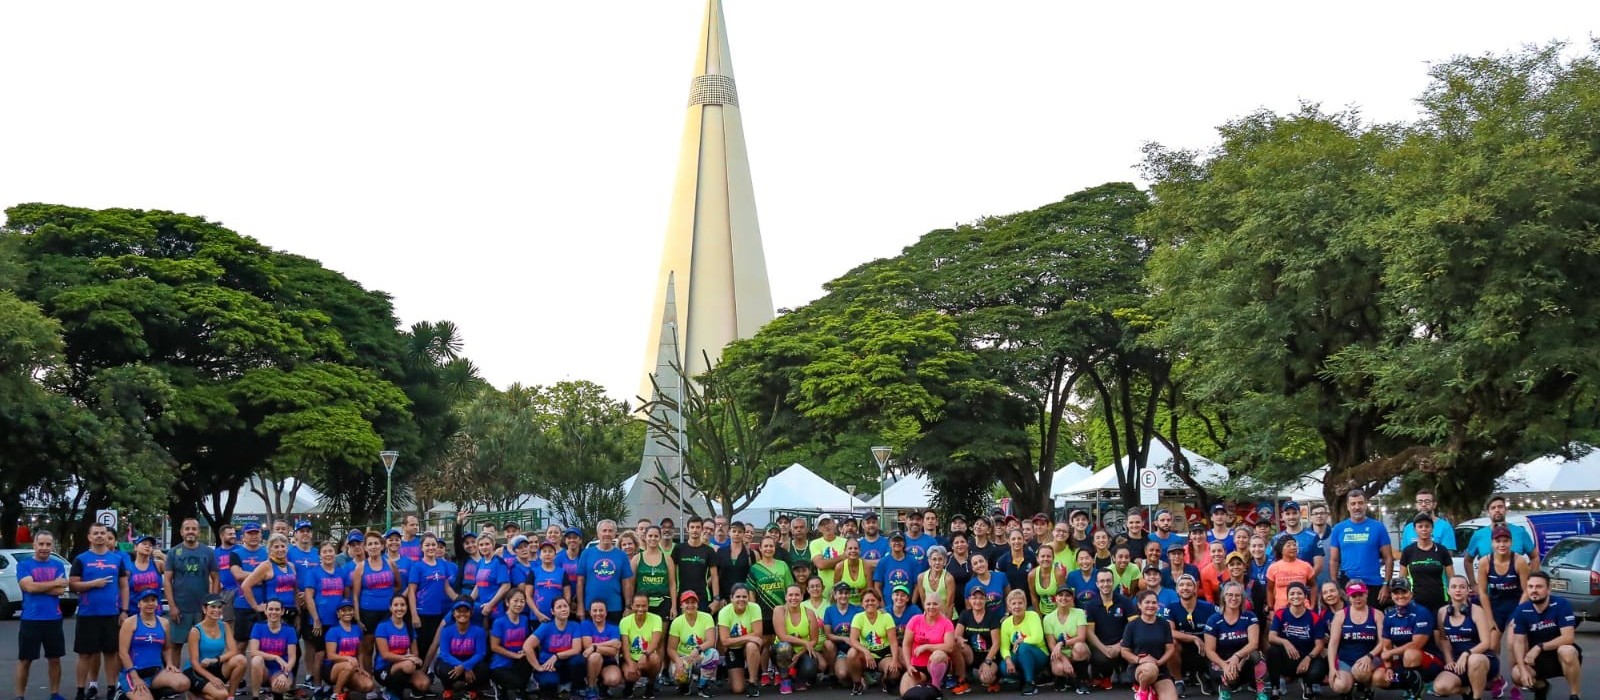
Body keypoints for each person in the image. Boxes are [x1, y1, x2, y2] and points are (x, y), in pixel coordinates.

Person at [71, 522, 127, 700]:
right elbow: (73, 585)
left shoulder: (117, 559)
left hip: (111, 614)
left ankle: (112, 688)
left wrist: (124, 610)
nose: (100, 536)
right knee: (85, 654)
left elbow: (124, 586)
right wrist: (93, 584)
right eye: (95, 533)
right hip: (88, 614)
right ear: (89, 537)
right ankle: (81, 690)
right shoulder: (81, 559)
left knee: (111, 653)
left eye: (102, 533)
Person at [1508, 572, 1582, 700]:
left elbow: (1568, 638)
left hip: (1558, 655)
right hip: (1535, 659)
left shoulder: (1561, 605)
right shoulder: (1521, 610)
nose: (1534, 590)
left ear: (1548, 589)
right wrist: (1522, 669)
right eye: (1530, 587)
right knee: (1517, 674)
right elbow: (1518, 642)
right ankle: (1542, 686)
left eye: (1538, 587)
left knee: (1567, 650)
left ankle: (1574, 694)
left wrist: (1539, 647)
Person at [16, 530, 70, 700]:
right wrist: (53, 584)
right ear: (34, 545)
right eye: (41, 544)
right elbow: (29, 588)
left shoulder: (58, 565)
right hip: (31, 619)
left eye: (48, 544)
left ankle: (54, 694)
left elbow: (61, 590)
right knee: (25, 660)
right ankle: (19, 696)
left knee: (55, 659)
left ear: (52, 546)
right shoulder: (24, 565)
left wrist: (39, 586)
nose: (44, 548)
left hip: (53, 618)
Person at [1431, 575, 1498, 700]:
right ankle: (1468, 690)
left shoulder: (1477, 611)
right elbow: (1443, 639)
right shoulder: (1442, 612)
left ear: (1468, 591)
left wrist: (1467, 654)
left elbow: (1486, 643)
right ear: (1448, 590)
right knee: (1441, 688)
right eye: (1454, 587)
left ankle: (1477, 697)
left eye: (1462, 587)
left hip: (1482, 658)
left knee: (1475, 660)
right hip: (1458, 660)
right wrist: (1449, 659)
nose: (1458, 590)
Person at [1477, 525, 1531, 676]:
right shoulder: (1485, 562)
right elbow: (1482, 592)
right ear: (1492, 543)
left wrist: (1518, 615)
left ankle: (1517, 679)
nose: (1502, 545)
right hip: (1496, 606)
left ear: (1511, 542)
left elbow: (1526, 590)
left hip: (1516, 605)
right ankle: (1496, 679)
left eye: (1505, 541)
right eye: (1498, 541)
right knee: (1492, 645)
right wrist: (1489, 619)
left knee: (1513, 643)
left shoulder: (1519, 561)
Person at [117, 590, 190, 700]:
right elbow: (123, 653)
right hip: (134, 673)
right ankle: (121, 694)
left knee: (183, 683)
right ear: (139, 604)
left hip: (156, 673)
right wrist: (135, 677)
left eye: (153, 600)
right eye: (146, 601)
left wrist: (169, 663)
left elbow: (167, 648)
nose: (150, 604)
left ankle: (154, 692)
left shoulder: (164, 623)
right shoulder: (130, 623)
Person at [1327, 489, 1394, 608]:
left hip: (1373, 584)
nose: (1357, 507)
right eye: (1353, 504)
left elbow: (1388, 558)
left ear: (1366, 504)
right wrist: (1335, 585)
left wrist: (1385, 585)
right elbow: (1334, 560)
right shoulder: (1338, 529)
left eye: (1360, 503)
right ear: (1348, 506)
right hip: (1347, 582)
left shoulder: (1378, 527)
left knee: (1372, 621)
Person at [163, 519, 218, 660]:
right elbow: (167, 580)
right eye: (187, 528)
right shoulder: (173, 553)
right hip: (180, 608)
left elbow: (216, 578)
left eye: (194, 528)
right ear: (182, 532)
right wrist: (172, 606)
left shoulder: (208, 552)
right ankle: (175, 676)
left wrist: (213, 605)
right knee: (176, 645)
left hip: (202, 608)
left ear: (199, 532)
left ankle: (201, 677)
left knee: (204, 645)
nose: (190, 531)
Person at [1266, 583, 1327, 700]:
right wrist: (1286, 642)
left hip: (1308, 656)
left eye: (1299, 593)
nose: (1295, 596)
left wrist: (1308, 658)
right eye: (1292, 593)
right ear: (1288, 597)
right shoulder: (1281, 613)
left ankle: (1308, 684)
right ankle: (1275, 688)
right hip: (1289, 657)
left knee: (1316, 672)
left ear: (1305, 597)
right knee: (1272, 650)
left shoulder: (1314, 617)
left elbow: (1319, 645)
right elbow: (1271, 637)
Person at [1203, 581, 1262, 700]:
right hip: (1222, 660)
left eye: (1237, 595)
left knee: (1257, 657)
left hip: (1244, 658)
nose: (1233, 598)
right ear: (1223, 598)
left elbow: (1254, 644)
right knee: (1231, 680)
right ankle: (1224, 690)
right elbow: (1209, 651)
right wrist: (1224, 665)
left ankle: (1260, 690)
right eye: (1230, 595)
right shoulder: (1214, 620)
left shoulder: (1250, 616)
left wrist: (1238, 656)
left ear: (1242, 598)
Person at [1463, 497, 1540, 588]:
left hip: (1517, 592)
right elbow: (1468, 560)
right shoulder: (1479, 535)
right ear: (1488, 512)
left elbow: (1534, 557)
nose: (1497, 510)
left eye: (1500, 507)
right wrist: (1473, 584)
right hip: (1488, 593)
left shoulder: (1520, 532)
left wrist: (1531, 581)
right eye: (1493, 508)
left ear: (1506, 509)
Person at [1324, 582, 1382, 700]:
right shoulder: (1341, 615)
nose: (1357, 599)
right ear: (1348, 597)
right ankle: (1348, 690)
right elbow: (1333, 644)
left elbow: (1383, 642)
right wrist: (1332, 668)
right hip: (1346, 660)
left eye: (1360, 595)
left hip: (1369, 658)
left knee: (1360, 671)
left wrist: (1370, 656)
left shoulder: (1377, 614)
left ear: (1366, 594)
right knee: (1340, 686)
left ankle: (1367, 688)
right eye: (1354, 596)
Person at [407, 533, 459, 663]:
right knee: (421, 645)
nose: (431, 547)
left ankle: (426, 671)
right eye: (427, 545)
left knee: (434, 644)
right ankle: (416, 673)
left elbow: (447, 588)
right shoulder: (417, 566)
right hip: (422, 612)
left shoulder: (443, 565)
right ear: (421, 548)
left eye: (433, 544)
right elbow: (411, 592)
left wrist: (460, 600)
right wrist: (414, 614)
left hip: (439, 612)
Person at [351, 531, 399, 666]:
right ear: (365, 547)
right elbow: (355, 594)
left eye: (376, 543)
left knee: (385, 644)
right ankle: (368, 677)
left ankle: (383, 675)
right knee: (368, 646)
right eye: (370, 544)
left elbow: (397, 586)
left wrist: (385, 596)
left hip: (387, 612)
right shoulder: (360, 567)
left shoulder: (390, 564)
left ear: (382, 546)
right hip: (367, 612)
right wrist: (358, 617)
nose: (373, 547)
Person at [183, 598, 246, 700]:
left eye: (219, 607)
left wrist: (216, 659)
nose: (217, 610)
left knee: (241, 660)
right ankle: (193, 693)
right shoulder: (195, 631)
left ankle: (231, 696)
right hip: (196, 671)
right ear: (204, 609)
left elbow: (234, 650)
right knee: (221, 695)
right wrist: (212, 678)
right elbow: (194, 663)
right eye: (213, 606)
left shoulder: (224, 626)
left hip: (215, 666)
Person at [1165, 574, 1217, 697]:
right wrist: (1194, 638)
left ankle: (1204, 674)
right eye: (1181, 585)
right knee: (1170, 642)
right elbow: (1169, 631)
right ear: (1177, 590)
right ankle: (1179, 681)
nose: (1185, 587)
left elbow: (1218, 627)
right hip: (1183, 648)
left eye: (1189, 585)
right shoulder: (1171, 607)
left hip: (1205, 648)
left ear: (1195, 588)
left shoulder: (1208, 607)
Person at [1123, 589, 1181, 700]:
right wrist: (1139, 660)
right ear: (1139, 605)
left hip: (1160, 668)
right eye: (1147, 602)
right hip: (1139, 668)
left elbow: (1170, 648)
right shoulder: (1132, 625)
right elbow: (1124, 651)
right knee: (1150, 669)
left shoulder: (1164, 624)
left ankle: (1152, 691)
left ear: (1158, 605)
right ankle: (1143, 690)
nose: (1151, 605)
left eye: (1154, 602)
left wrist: (1159, 662)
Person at [1084, 569, 1134, 689]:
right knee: (1100, 658)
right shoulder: (1090, 605)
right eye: (1102, 581)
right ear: (1097, 584)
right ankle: (1103, 674)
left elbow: (1134, 627)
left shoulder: (1125, 601)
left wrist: (1120, 646)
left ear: (1113, 582)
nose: (1105, 584)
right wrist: (1104, 649)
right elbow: (1090, 633)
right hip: (1102, 646)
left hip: (1123, 644)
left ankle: (1123, 670)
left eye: (1108, 581)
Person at [576, 521, 634, 625]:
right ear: (598, 533)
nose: (607, 533)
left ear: (614, 534)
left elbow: (627, 583)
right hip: (591, 608)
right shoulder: (587, 553)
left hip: (615, 607)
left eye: (610, 531)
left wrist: (628, 606)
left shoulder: (621, 555)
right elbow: (580, 582)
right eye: (604, 531)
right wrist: (580, 606)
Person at [900, 591, 956, 696]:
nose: (931, 607)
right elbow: (906, 644)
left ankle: (936, 689)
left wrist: (926, 647)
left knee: (938, 655)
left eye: (935, 604)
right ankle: (925, 687)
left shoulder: (946, 623)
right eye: (928, 604)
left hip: (937, 664)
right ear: (924, 605)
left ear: (941, 605)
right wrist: (908, 665)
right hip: (917, 666)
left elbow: (949, 647)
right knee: (905, 693)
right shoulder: (915, 620)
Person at [849, 588, 904, 695]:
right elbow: (852, 640)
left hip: (884, 653)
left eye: (873, 600)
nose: (870, 603)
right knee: (852, 653)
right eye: (867, 601)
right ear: (862, 604)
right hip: (866, 654)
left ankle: (884, 679)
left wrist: (895, 660)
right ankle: (857, 683)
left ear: (878, 602)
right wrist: (866, 652)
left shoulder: (886, 617)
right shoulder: (858, 617)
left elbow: (893, 642)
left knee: (894, 673)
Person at [667, 591, 721, 697]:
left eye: (693, 602)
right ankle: (684, 685)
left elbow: (711, 641)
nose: (690, 605)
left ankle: (703, 686)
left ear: (697, 604)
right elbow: (671, 648)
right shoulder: (677, 622)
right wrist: (678, 661)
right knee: (676, 672)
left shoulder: (707, 617)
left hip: (700, 656)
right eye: (687, 602)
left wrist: (697, 649)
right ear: (681, 605)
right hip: (684, 657)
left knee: (713, 654)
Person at [433, 599, 490, 696]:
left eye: (465, 611)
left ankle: (471, 689)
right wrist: (462, 666)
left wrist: (465, 666)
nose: (462, 614)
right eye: (459, 611)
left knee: (483, 668)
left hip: (470, 660)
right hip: (453, 661)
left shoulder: (479, 631)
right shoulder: (447, 631)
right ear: (454, 614)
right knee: (441, 668)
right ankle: (448, 689)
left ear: (471, 613)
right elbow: (444, 653)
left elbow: (480, 653)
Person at [1398, 514, 1453, 613]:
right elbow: (1402, 579)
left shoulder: (1442, 550)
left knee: (1439, 628)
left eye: (1427, 526)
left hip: (1440, 601)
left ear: (1432, 529)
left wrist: (1452, 598)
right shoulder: (1408, 551)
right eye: (1420, 526)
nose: (1424, 529)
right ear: (1415, 529)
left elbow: (1451, 577)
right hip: (1415, 602)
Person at [771, 584, 821, 694]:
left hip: (801, 651)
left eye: (797, 595)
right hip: (781, 651)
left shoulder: (809, 613)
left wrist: (799, 655)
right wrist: (804, 642)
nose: (794, 598)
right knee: (784, 647)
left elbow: (814, 640)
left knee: (810, 668)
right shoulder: (779, 610)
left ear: (802, 597)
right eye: (791, 595)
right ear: (785, 597)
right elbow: (782, 636)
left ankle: (799, 678)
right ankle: (785, 678)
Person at [997, 590, 1048, 695]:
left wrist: (1021, 641)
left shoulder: (1033, 615)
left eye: (1020, 603)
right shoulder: (1006, 623)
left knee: (1023, 647)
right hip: (1019, 655)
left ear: (1025, 605)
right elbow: (1004, 647)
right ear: (1009, 607)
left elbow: (1038, 638)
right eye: (1014, 603)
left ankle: (1030, 683)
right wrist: (1008, 660)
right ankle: (1026, 678)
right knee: (1003, 667)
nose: (1017, 606)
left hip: (1039, 654)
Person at [717, 585, 764, 698]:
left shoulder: (755, 607)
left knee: (752, 646)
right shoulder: (724, 612)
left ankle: (752, 681)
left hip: (749, 647)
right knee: (738, 689)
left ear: (748, 597)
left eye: (744, 596)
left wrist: (745, 640)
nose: (741, 599)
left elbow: (758, 633)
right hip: (733, 649)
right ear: (731, 598)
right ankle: (736, 672)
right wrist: (748, 637)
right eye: (738, 596)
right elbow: (724, 641)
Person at [246, 599, 298, 700]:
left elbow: (292, 657)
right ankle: (255, 697)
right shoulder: (258, 626)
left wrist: (285, 674)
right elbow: (253, 651)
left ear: (282, 611)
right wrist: (276, 657)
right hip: (263, 669)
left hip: (280, 669)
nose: (273, 612)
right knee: (256, 659)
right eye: (270, 609)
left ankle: (276, 694)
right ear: (265, 611)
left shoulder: (289, 630)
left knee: (280, 686)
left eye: (277, 609)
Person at [322, 599, 374, 699]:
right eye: (343, 610)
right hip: (332, 668)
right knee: (348, 665)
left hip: (352, 666)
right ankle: (336, 694)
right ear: (338, 613)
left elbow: (360, 653)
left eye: (350, 610)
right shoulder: (333, 631)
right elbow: (331, 656)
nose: (347, 612)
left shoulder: (357, 629)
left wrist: (361, 668)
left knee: (368, 685)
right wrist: (348, 658)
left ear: (354, 612)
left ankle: (345, 688)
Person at [1044, 586, 1090, 694]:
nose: (1064, 598)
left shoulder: (1079, 613)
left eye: (1068, 595)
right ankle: (1068, 678)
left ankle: (1081, 680)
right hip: (1060, 654)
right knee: (1058, 669)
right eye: (1060, 595)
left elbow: (1082, 637)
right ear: (1055, 598)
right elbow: (1051, 645)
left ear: (1072, 599)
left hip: (1076, 653)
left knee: (1080, 647)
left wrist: (1061, 643)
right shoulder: (1048, 618)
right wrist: (1064, 660)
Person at [488, 589, 533, 700]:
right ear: (507, 602)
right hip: (501, 663)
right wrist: (515, 656)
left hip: (518, 661)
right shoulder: (499, 622)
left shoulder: (524, 619)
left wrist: (523, 651)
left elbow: (526, 640)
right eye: (515, 601)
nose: (519, 604)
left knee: (531, 655)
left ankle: (520, 691)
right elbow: (494, 647)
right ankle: (499, 685)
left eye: (522, 601)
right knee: (517, 682)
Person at [954, 587, 1000, 694]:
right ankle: (963, 680)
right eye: (974, 598)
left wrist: (987, 661)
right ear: (969, 600)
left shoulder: (992, 616)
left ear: (985, 600)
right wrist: (959, 639)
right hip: (972, 654)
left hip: (989, 655)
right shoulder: (965, 614)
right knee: (956, 644)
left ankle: (994, 680)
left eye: (981, 598)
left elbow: (996, 643)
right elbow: (957, 635)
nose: (977, 601)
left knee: (986, 679)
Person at [229, 523, 270, 644]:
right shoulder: (235, 554)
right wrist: (260, 576)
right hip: (242, 605)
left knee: (264, 644)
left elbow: (272, 575)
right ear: (243, 536)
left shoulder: (267, 553)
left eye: (256, 533)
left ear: (261, 535)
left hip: (265, 605)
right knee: (241, 644)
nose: (253, 536)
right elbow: (237, 575)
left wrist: (248, 577)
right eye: (250, 533)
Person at [620, 593, 665, 699]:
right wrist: (631, 663)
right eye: (637, 605)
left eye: (644, 605)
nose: (640, 609)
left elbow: (655, 643)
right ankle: (629, 686)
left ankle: (650, 685)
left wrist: (645, 654)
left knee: (655, 659)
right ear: (632, 606)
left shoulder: (656, 619)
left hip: (647, 657)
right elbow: (625, 647)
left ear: (648, 606)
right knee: (629, 674)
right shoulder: (624, 621)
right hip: (631, 657)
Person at [823, 582, 865, 690]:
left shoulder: (858, 610)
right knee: (842, 674)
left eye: (846, 593)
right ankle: (833, 675)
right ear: (835, 595)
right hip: (840, 650)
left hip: (855, 647)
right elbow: (828, 634)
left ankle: (860, 675)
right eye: (840, 593)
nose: (843, 595)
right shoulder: (829, 611)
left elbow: (863, 632)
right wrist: (844, 638)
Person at [579, 601, 625, 700]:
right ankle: (591, 687)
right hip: (590, 661)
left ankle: (601, 686)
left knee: (614, 680)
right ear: (590, 612)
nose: (598, 613)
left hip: (608, 661)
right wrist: (610, 643)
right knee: (595, 656)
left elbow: (613, 652)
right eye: (595, 610)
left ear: (606, 612)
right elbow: (587, 646)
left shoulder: (614, 627)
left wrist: (595, 647)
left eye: (601, 610)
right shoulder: (585, 624)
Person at [675, 517, 718, 614]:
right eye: (692, 527)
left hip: (702, 596)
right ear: (687, 529)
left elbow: (714, 577)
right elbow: (672, 577)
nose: (695, 530)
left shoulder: (709, 551)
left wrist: (716, 599)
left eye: (698, 527)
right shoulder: (679, 549)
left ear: (702, 529)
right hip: (681, 595)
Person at [630, 527, 675, 621]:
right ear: (645, 537)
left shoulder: (667, 559)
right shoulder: (637, 558)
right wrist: (630, 604)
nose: (653, 538)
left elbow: (672, 584)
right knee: (643, 634)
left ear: (660, 538)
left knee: (661, 635)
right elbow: (631, 584)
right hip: (642, 603)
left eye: (656, 536)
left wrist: (674, 606)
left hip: (663, 602)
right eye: (650, 536)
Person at [1266, 538, 1316, 613]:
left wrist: (1312, 606)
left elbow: (1313, 586)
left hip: (1303, 609)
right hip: (1281, 610)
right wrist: (1270, 609)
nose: (1293, 547)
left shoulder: (1306, 566)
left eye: (1294, 545)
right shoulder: (1273, 567)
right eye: (1288, 545)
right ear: (1281, 549)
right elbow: (1269, 589)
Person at [714, 525, 756, 611]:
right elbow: (716, 576)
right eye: (734, 531)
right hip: (725, 598)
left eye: (740, 532)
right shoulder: (721, 552)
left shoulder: (749, 554)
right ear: (729, 533)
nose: (736, 534)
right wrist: (720, 597)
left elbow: (752, 578)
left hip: (743, 598)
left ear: (743, 534)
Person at [525, 540, 567, 626]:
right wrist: (538, 614)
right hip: (537, 617)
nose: (547, 554)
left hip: (558, 617)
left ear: (555, 555)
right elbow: (528, 596)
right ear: (540, 555)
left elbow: (567, 596)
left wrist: (561, 612)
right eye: (544, 551)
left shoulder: (562, 572)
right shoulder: (533, 572)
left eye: (550, 551)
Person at [873, 534, 924, 600]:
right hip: (888, 605)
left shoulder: (913, 562)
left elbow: (917, 586)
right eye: (894, 541)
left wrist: (912, 604)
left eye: (900, 540)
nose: (897, 543)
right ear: (889, 543)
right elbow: (877, 586)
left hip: (907, 604)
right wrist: (882, 605)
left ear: (904, 543)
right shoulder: (883, 562)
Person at [1026, 544, 1067, 615]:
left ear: (1053, 558)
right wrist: (1039, 615)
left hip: (1058, 610)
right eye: (1042, 556)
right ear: (1037, 558)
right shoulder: (1032, 575)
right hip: (1041, 610)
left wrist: (1058, 616)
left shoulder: (1059, 574)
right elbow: (1033, 596)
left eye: (1048, 556)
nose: (1045, 559)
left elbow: (1063, 597)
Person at [915, 546, 958, 614]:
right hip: (929, 615)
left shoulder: (949, 579)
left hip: (947, 616)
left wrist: (945, 623)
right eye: (934, 559)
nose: (937, 562)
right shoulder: (921, 577)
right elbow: (924, 602)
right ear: (929, 561)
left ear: (945, 561)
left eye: (940, 559)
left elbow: (950, 605)